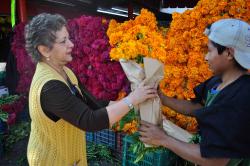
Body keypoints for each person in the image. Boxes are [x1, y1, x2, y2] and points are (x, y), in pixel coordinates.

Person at [25, 13, 157, 166]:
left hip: (70, 157)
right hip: (51, 160)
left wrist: (134, 102)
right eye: (63, 41)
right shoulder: (49, 87)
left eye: (68, 38)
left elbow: (92, 104)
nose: (71, 44)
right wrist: (132, 100)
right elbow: (90, 121)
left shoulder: (65, 72)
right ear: (44, 50)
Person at [139, 19, 250, 166]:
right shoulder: (218, 82)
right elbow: (200, 107)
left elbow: (216, 160)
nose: (206, 57)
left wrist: (163, 139)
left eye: (209, 51)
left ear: (229, 53)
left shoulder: (240, 97)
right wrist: (163, 98)